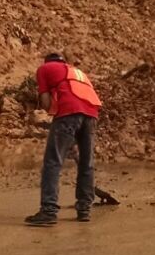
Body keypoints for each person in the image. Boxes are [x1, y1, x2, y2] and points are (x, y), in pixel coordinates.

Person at [25, 52, 102, 227]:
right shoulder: (76, 71)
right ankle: (84, 209)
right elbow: (78, 97)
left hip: (68, 112)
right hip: (91, 114)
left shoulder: (44, 69)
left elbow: (45, 102)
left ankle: (49, 211)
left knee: (53, 161)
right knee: (86, 162)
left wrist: (54, 118)